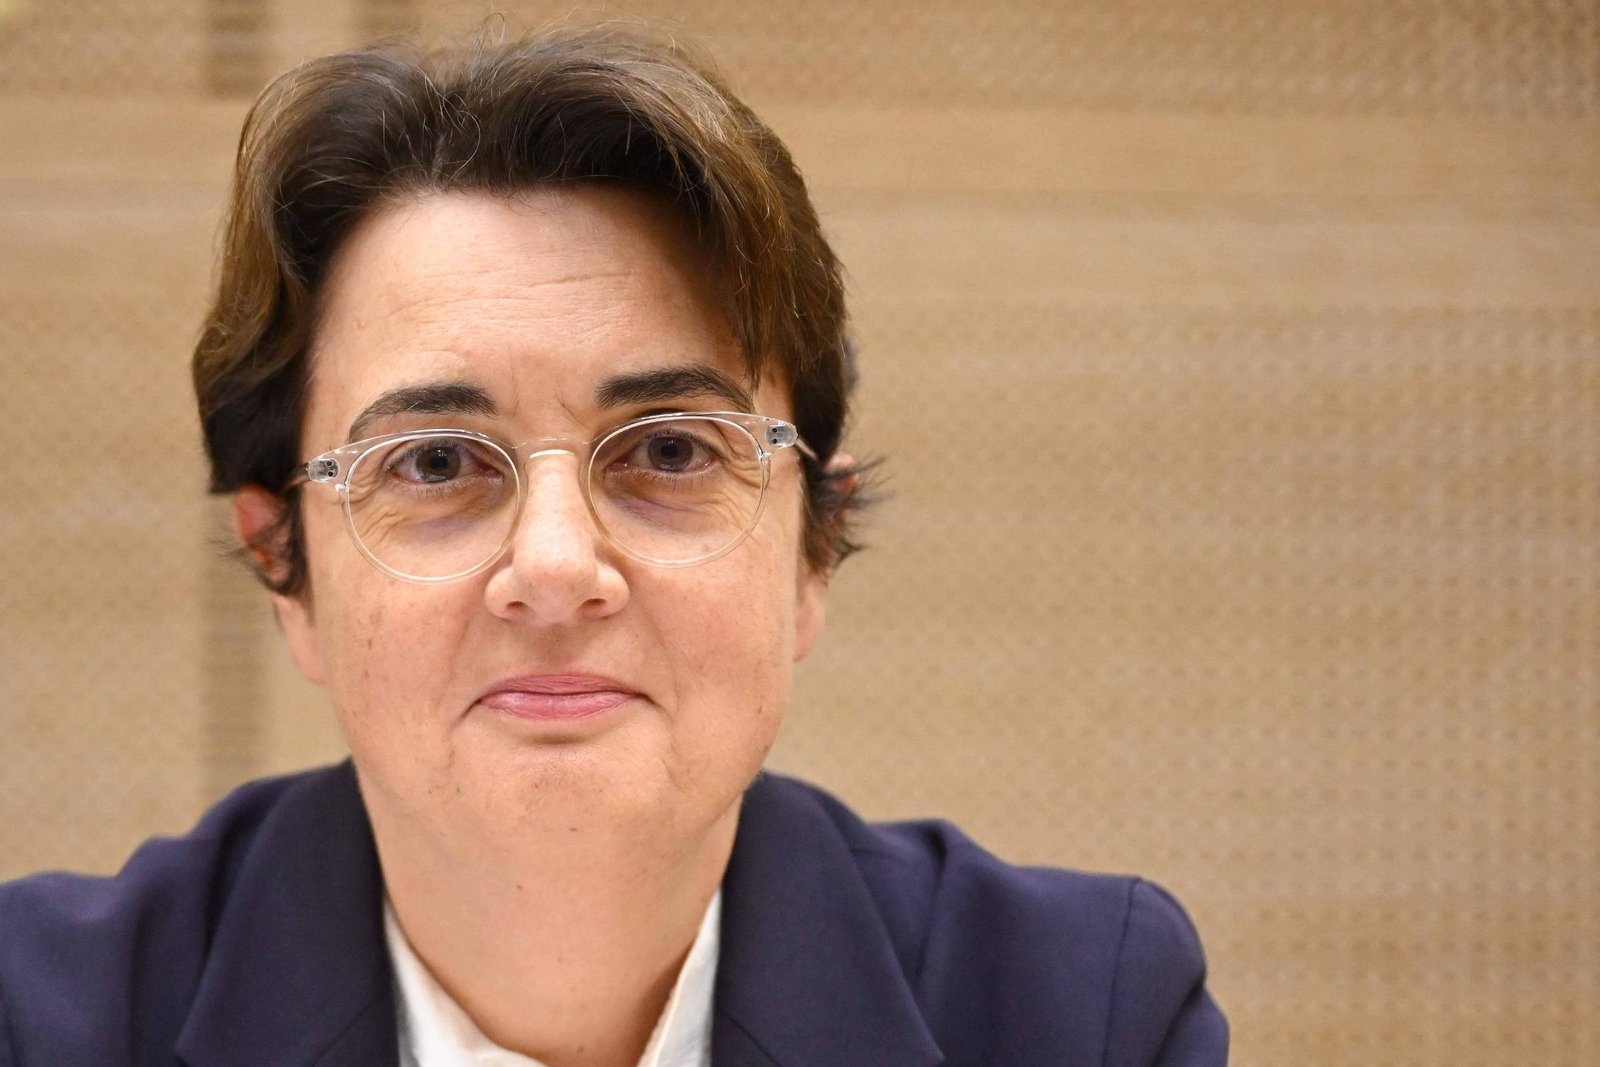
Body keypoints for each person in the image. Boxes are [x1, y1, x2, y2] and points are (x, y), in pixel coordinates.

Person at [0, 25, 1227, 1067]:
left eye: (671, 451)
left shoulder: (1081, 1013)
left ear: (813, 546)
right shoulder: (41, 1018)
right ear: (287, 568)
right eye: (435, 462)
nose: (553, 567)